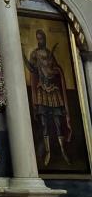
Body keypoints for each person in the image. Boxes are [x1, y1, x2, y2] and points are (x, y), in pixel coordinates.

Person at [23, 29, 71, 166]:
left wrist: (55, 71)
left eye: (42, 38)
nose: (40, 41)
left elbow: (56, 69)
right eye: (38, 38)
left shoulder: (50, 54)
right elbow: (32, 69)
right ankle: (48, 152)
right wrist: (24, 58)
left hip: (53, 91)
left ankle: (63, 150)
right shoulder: (34, 54)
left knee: (57, 122)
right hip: (42, 90)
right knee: (44, 123)